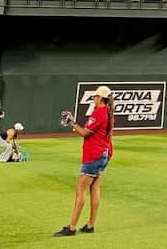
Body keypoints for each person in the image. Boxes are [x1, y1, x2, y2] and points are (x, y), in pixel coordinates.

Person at [53, 86, 114, 237]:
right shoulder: (108, 112)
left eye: (95, 97)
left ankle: (72, 227)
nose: (93, 99)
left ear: (100, 98)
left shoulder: (99, 112)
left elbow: (85, 132)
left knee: (80, 189)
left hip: (94, 155)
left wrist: (72, 123)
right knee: (95, 189)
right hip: (103, 153)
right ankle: (90, 224)